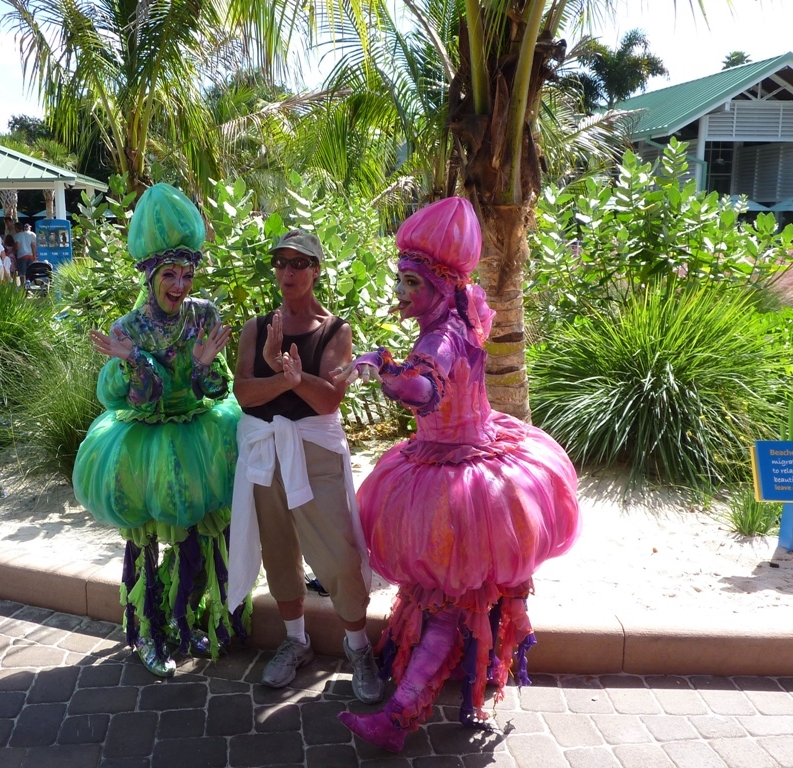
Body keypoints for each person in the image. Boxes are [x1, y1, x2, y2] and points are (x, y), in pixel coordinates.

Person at [333, 197, 581, 752]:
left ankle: (399, 718)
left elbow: (425, 390)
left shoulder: (439, 337)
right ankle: (473, 686)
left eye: (413, 283)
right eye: (401, 280)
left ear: (441, 287)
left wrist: (384, 368)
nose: (402, 293)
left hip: (461, 477)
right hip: (465, 462)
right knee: (468, 593)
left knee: (449, 600)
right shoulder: (459, 317)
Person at [72, 183, 249, 677]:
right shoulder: (127, 328)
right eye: (169, 274)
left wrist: (203, 367)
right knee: (146, 543)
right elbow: (134, 399)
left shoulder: (204, 315)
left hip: (199, 435)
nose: (180, 285)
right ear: (150, 275)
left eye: (187, 274)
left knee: (199, 537)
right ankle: (147, 632)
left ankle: (184, 618)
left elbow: (216, 391)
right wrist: (135, 360)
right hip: (145, 444)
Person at [228, 230, 383, 704]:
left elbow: (329, 400)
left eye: (299, 263)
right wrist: (284, 375)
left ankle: (358, 646)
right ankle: (296, 641)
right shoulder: (257, 328)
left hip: (314, 453)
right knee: (278, 551)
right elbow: (243, 393)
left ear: (316, 270)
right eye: (281, 263)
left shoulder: (335, 330)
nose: (288, 271)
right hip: (265, 454)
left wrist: (288, 376)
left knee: (338, 554)